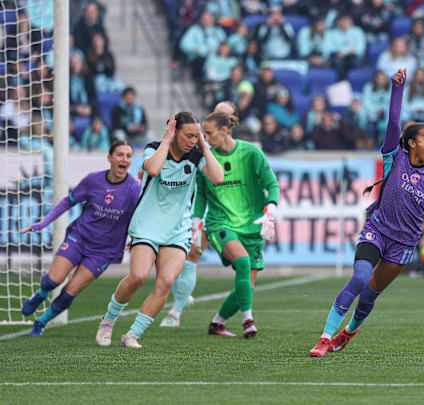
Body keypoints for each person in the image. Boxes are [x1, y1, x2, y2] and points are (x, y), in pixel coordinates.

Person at [308, 68, 424, 358]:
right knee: (360, 279)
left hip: (404, 244)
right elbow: (394, 121)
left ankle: (348, 332)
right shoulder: (393, 157)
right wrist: (398, 89)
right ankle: (324, 338)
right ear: (411, 143)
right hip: (378, 230)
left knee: (370, 295)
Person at [95, 112, 224, 349]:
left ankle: (132, 335)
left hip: (177, 229)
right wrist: (166, 141)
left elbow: (218, 177)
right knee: (138, 277)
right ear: (174, 132)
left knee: (165, 282)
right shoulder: (153, 148)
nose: (192, 140)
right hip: (147, 225)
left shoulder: (197, 155)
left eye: (196, 136)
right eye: (188, 135)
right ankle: (108, 321)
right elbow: (153, 169)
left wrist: (204, 146)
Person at [161, 112, 279, 337]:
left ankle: (217, 323)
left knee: (246, 288)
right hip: (220, 223)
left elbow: (271, 184)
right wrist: (196, 223)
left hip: (251, 226)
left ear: (224, 131)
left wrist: (270, 210)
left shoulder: (251, 152)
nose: (204, 138)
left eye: (209, 133)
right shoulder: (206, 159)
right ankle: (248, 321)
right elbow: (202, 194)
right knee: (243, 262)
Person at [21, 141, 140, 336]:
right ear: (110, 157)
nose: (124, 159)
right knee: (53, 279)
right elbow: (69, 201)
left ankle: (41, 322)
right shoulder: (93, 180)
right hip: (79, 238)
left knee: (69, 292)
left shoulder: (134, 189)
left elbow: (139, 218)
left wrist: (134, 238)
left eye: (128, 156)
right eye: (120, 155)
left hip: (104, 252)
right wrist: (43, 223)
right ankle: (40, 295)